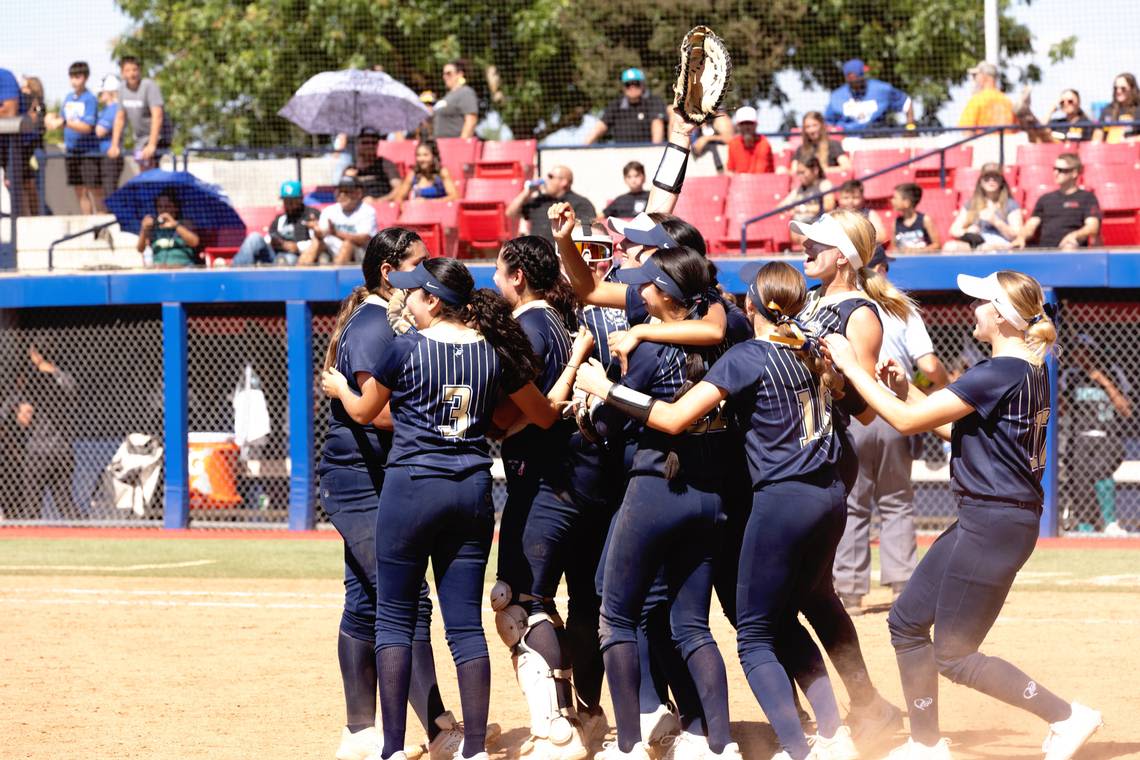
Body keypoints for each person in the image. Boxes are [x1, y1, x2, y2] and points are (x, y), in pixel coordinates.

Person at [824, 270, 1104, 760]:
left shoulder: (996, 373)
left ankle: (1066, 715)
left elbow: (908, 422)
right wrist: (902, 387)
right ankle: (926, 743)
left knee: (954, 653)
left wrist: (853, 368)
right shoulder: (1022, 370)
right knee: (907, 623)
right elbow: (959, 433)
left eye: (980, 303)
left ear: (999, 315)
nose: (971, 309)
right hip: (989, 517)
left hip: (994, 521)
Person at [320, 256, 563, 760]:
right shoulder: (492, 352)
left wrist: (341, 386)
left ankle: (391, 748)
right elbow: (541, 415)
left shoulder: (406, 347)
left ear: (433, 299)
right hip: (471, 490)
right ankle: (473, 749)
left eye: (413, 292)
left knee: (393, 620)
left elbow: (365, 411)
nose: (405, 299)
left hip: (410, 489)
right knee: (465, 629)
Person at [317, 230, 489, 760]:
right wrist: (446, 422)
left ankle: (361, 732)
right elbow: (378, 411)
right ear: (389, 272)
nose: (426, 270)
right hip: (360, 477)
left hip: (381, 476)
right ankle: (437, 726)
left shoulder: (395, 326)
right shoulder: (375, 327)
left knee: (366, 598)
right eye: (416, 264)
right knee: (403, 601)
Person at [565, 242, 740, 760]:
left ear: (663, 296)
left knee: (615, 616)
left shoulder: (648, 349)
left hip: (655, 490)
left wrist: (594, 395)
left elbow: (606, 425)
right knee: (691, 625)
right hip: (710, 494)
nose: (637, 289)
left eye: (646, 283)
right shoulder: (723, 340)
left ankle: (627, 744)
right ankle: (719, 745)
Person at [794, 209, 913, 744]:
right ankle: (862, 705)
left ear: (841, 255)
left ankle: (839, 714)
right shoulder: (814, 301)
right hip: (794, 449)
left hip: (823, 454)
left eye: (816, 243)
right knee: (812, 593)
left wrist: (836, 377)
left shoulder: (861, 314)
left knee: (795, 594)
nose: (804, 248)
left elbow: (865, 410)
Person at [490, 235, 598, 760]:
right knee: (567, 604)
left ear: (518, 277)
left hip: (543, 482)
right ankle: (584, 714)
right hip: (573, 479)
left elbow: (527, 406)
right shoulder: (558, 317)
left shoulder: (529, 324)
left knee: (518, 605)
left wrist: (491, 424)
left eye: (498, 271)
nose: (493, 280)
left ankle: (555, 729)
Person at [834, 247, 949, 614]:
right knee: (896, 501)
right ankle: (903, 587)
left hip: (853, 409)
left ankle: (850, 592)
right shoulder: (900, 307)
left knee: (853, 503)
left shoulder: (838, 301)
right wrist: (945, 389)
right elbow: (929, 366)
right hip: (894, 407)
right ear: (879, 268)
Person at [1060, 334, 1133, 536]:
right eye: (1076, 351)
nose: (1080, 355)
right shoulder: (1070, 375)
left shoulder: (1113, 372)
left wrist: (1103, 380)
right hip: (1080, 436)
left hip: (1107, 435)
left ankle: (1110, 522)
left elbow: (1125, 409)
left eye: (1084, 351)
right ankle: (1086, 525)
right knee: (1080, 478)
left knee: (1102, 472)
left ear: (1093, 352)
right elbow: (1062, 410)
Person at [5, 345, 80, 520]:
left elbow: (21, 416)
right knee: (64, 502)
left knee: (32, 504)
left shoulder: (31, 382)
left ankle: (31, 534)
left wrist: (19, 412)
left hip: (38, 451)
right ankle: (81, 533)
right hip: (62, 449)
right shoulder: (65, 379)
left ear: (36, 356)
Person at [45, 62, 102, 214]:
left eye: (78, 77)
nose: (74, 81)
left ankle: (105, 223)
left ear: (85, 78)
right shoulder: (68, 98)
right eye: (72, 77)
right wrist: (52, 118)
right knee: (80, 191)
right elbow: (62, 119)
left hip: (88, 153)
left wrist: (63, 122)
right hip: (71, 152)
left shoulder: (90, 99)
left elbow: (87, 127)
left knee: (94, 190)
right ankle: (89, 226)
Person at [1013, 152, 1101, 250]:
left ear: (1074, 173)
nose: (1056, 173)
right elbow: (1031, 224)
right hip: (1045, 251)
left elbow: (1093, 227)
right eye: (1054, 169)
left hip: (1072, 250)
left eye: (1061, 170)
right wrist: (1021, 237)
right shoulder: (1045, 199)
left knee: (1070, 246)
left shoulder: (1087, 198)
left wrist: (1074, 236)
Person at [233, 181, 320, 266]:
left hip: (299, 257)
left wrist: (297, 247)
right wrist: (272, 242)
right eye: (286, 201)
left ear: (300, 199)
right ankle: (236, 272)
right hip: (274, 255)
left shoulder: (311, 215)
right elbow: (269, 236)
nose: (288, 205)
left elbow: (320, 240)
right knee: (254, 238)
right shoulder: (280, 218)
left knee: (288, 259)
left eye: (292, 201)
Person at [506, 166, 597, 243]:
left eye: (550, 176)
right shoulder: (540, 201)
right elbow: (511, 213)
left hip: (563, 257)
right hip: (537, 257)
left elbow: (588, 233)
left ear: (564, 182)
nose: (546, 180)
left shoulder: (581, 204)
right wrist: (526, 193)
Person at [944, 164, 1022, 251]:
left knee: (985, 248)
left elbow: (1016, 235)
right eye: (986, 177)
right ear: (980, 181)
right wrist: (967, 232)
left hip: (1001, 243)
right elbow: (954, 230)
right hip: (977, 241)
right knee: (950, 247)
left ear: (1001, 181)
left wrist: (996, 221)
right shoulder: (971, 204)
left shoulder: (1010, 204)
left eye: (995, 177)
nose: (991, 180)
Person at [108, 56, 168, 171]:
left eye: (135, 69)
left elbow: (157, 115)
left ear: (139, 70)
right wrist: (114, 145)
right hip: (140, 139)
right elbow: (120, 118)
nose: (132, 74)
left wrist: (152, 144)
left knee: (150, 166)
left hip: (159, 136)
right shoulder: (121, 89)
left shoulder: (149, 86)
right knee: (140, 163)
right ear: (122, 73)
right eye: (127, 70)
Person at [304, 176, 379, 265]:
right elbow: (322, 233)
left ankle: (335, 276)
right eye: (340, 191)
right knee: (316, 242)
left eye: (347, 191)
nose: (342, 195)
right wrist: (317, 232)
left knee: (348, 243)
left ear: (358, 193)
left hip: (359, 255)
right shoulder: (329, 210)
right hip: (331, 251)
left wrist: (336, 233)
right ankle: (299, 274)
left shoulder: (367, 211)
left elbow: (364, 239)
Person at [824, 59, 914, 133]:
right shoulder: (837, 96)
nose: (859, 78)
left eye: (861, 75)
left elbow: (907, 103)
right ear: (847, 78)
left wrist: (910, 128)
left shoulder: (881, 89)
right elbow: (828, 122)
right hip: (848, 140)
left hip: (877, 138)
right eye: (852, 77)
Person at [585, 68, 667, 145]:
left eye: (636, 83)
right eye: (628, 84)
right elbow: (600, 127)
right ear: (623, 87)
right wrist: (583, 148)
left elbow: (657, 126)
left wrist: (655, 150)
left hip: (647, 153)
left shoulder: (654, 102)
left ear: (642, 85)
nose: (632, 87)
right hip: (622, 153)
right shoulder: (615, 105)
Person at [137, 188, 199, 267]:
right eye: (160, 206)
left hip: (183, 267)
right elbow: (140, 249)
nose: (163, 210)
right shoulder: (153, 227)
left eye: (167, 206)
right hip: (159, 268)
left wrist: (175, 225)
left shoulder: (185, 223)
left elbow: (194, 242)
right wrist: (144, 229)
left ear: (175, 207)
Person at [1015, 87, 1095, 143]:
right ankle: (1025, 116)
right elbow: (1041, 127)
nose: (1066, 104)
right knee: (1033, 132)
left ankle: (1027, 114)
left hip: (1072, 156)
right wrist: (1050, 111)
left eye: (1070, 101)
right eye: (1062, 102)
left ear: (1078, 103)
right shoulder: (1057, 122)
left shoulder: (1086, 123)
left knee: (1045, 133)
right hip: (1050, 155)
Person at [343, 127, 401, 202]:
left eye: (374, 143)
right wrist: (347, 181)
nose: (370, 146)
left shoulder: (386, 164)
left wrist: (378, 201)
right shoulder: (350, 169)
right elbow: (341, 195)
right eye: (365, 143)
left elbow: (399, 188)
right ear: (357, 145)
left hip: (382, 207)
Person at [392, 139, 459, 202]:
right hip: (418, 212)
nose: (421, 159)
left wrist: (430, 202)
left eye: (425, 155)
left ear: (434, 156)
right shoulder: (413, 174)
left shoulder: (442, 172)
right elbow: (398, 198)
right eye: (418, 155)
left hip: (439, 211)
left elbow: (454, 196)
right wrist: (404, 207)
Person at [17, 76, 46, 216]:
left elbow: (37, 119)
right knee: (22, 185)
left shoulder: (38, 103)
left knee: (32, 185)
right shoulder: (20, 103)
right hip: (21, 149)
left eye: (26, 86)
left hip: (34, 151)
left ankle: (37, 215)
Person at [957, 61, 1015, 130]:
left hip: (983, 140)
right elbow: (1017, 130)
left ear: (984, 77)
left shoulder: (977, 101)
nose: (974, 79)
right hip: (1005, 140)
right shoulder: (1008, 102)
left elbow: (966, 130)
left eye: (975, 75)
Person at [791, 111, 851, 177]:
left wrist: (825, 170)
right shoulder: (801, 149)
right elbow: (794, 170)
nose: (812, 130)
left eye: (815, 125)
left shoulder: (833, 145)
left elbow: (847, 166)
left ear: (822, 126)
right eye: (808, 127)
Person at [780, 157, 835, 224]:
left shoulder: (824, 184)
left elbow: (829, 206)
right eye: (798, 173)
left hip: (817, 226)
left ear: (815, 170)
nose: (799, 176)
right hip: (799, 227)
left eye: (803, 172)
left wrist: (802, 209)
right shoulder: (799, 189)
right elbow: (781, 206)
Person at [433, 59, 479, 139]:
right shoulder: (447, 96)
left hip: (455, 145)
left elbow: (471, 120)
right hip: (440, 145)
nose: (445, 76)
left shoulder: (465, 92)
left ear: (460, 74)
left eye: (449, 73)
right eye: (444, 74)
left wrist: (461, 145)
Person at [95, 74, 124, 199]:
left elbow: (99, 131)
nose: (100, 96)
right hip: (103, 155)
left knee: (109, 191)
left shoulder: (114, 109)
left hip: (111, 157)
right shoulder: (106, 110)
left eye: (102, 93)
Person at [721, 107, 774, 174]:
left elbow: (761, 173)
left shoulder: (764, 143)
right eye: (743, 123)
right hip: (740, 182)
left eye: (750, 123)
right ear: (738, 126)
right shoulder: (733, 144)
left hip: (760, 182)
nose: (746, 127)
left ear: (756, 125)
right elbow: (730, 170)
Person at [889, 183, 940, 253]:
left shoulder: (925, 220)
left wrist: (919, 251)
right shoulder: (896, 223)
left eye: (895, 198)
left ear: (907, 203)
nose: (892, 201)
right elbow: (893, 248)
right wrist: (901, 251)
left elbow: (937, 245)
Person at [1092, 72, 1140, 143]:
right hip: (1109, 151)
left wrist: (1130, 140)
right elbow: (1098, 132)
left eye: (1123, 88)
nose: (1118, 91)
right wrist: (1096, 141)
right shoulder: (1108, 109)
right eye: (1115, 88)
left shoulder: (1138, 109)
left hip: (1132, 151)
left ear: (1132, 89)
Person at [836, 180, 886, 244]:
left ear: (863, 198)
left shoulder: (870, 214)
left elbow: (881, 236)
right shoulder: (834, 216)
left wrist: (857, 238)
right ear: (839, 199)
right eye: (846, 198)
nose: (850, 201)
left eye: (855, 197)